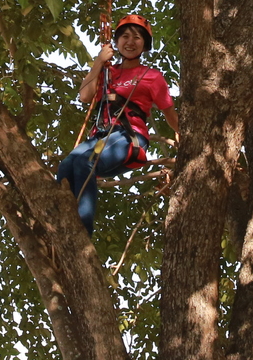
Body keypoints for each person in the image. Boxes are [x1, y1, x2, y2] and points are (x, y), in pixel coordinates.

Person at [56, 13, 179, 230]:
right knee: (66, 166)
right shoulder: (106, 72)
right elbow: (85, 96)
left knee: (86, 162)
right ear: (117, 42)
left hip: (129, 137)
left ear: (145, 44)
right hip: (101, 138)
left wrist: (181, 133)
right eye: (125, 36)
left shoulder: (151, 76)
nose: (130, 42)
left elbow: (169, 113)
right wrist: (98, 62)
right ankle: (58, 226)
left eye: (137, 37)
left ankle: (82, 232)